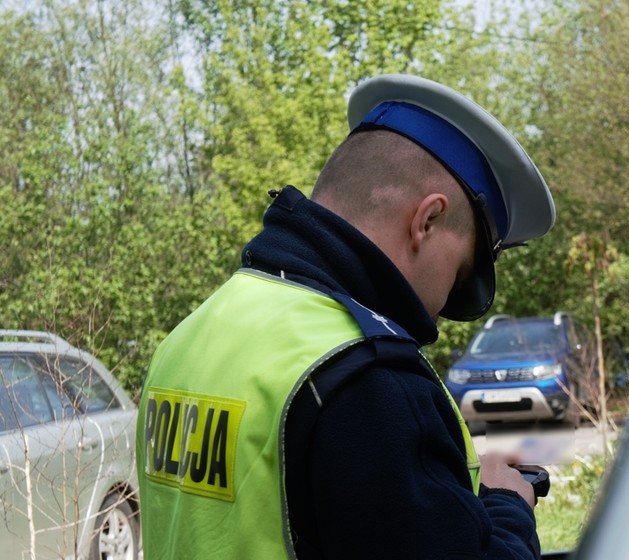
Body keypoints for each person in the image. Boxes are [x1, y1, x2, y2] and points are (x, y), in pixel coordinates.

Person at [136, 74, 556, 559]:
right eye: (460, 273)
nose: (443, 307)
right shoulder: (369, 381)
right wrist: (507, 508)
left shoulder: (191, 335)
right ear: (427, 220)